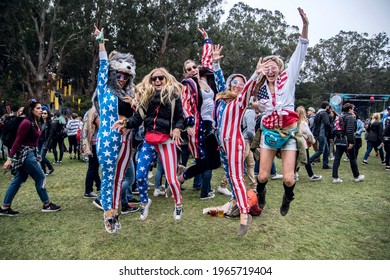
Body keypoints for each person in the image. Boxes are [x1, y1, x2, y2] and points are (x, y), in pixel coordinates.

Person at [254, 7, 309, 217]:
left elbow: (300, 51)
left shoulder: (288, 79)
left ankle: (288, 197)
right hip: (269, 132)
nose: (270, 69)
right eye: (266, 67)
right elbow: (249, 100)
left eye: (273, 66)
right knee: (262, 176)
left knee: (288, 178)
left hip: (287, 132)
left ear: (280, 68)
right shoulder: (259, 87)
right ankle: (261, 193)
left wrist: (305, 26)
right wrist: (257, 105)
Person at [112, 67, 184, 221]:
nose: (157, 81)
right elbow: (137, 119)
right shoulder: (147, 97)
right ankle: (145, 202)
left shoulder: (174, 96)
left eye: (160, 78)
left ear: (166, 79)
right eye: (154, 79)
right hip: (150, 140)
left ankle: (178, 204)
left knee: (171, 179)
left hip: (167, 140)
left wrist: (178, 128)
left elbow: (180, 117)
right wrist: (124, 123)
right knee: (140, 175)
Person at [212, 43, 260, 236]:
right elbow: (219, 79)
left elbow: (247, 90)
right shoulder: (225, 99)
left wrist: (255, 74)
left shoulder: (240, 101)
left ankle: (243, 212)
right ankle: (235, 202)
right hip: (223, 142)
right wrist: (215, 63)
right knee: (230, 174)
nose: (238, 85)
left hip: (234, 141)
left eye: (241, 83)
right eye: (235, 82)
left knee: (237, 176)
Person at [93, 25, 137, 233]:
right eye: (118, 75)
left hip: (126, 141)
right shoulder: (104, 89)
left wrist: (135, 105)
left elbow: (138, 117)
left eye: (125, 76)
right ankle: (108, 214)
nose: (122, 78)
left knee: (122, 178)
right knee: (109, 176)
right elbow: (103, 65)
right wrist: (101, 42)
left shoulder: (129, 95)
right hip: (108, 139)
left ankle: (116, 211)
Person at [0, 99, 61, 216]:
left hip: (30, 154)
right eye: (38, 108)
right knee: (41, 177)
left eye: (41, 108)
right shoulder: (26, 123)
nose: (41, 110)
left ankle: (4, 207)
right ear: (31, 110)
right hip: (26, 156)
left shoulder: (34, 122)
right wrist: (9, 159)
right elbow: (18, 141)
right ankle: (47, 204)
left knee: (18, 179)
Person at [332, 103, 365, 183]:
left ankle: (335, 177)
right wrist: (351, 142)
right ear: (349, 109)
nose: (353, 110)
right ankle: (356, 176)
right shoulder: (350, 117)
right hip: (347, 141)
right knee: (352, 159)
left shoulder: (339, 117)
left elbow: (335, 129)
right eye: (353, 109)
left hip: (339, 140)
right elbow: (350, 131)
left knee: (337, 159)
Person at [296, 106, 322, 181]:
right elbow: (309, 133)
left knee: (298, 158)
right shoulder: (303, 122)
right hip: (302, 142)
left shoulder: (294, 121)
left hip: (295, 142)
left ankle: (295, 174)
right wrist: (312, 140)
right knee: (306, 159)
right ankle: (311, 175)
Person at [81, 106, 100, 198]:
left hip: (90, 142)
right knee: (93, 167)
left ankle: (98, 185)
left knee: (93, 166)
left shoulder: (88, 112)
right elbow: (101, 126)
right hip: (96, 142)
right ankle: (88, 190)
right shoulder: (96, 112)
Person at [309, 101, 332, 169]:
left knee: (326, 150)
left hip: (318, 133)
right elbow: (327, 123)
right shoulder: (324, 113)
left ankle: (325, 164)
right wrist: (333, 127)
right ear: (326, 106)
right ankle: (309, 161)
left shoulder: (318, 113)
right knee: (321, 150)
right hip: (322, 133)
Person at [38, 106, 54, 176]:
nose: (43, 115)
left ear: (48, 115)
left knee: (42, 156)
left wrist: (47, 145)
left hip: (45, 142)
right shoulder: (40, 122)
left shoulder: (50, 123)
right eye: (42, 113)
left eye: (45, 113)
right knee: (39, 157)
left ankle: (50, 167)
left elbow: (50, 135)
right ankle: (43, 171)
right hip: (39, 141)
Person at [382, 106, 390, 171]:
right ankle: (387, 163)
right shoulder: (385, 118)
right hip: (386, 135)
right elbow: (383, 127)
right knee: (387, 150)